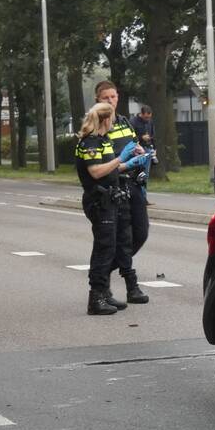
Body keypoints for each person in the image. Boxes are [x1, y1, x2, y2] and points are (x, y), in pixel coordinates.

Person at [75, 103, 152, 315]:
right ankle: (96, 298)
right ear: (104, 120)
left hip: (111, 199)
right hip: (99, 201)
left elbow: (112, 169)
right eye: (111, 120)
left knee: (116, 245)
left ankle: (105, 294)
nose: (114, 123)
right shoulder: (90, 142)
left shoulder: (103, 140)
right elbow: (97, 172)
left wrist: (131, 162)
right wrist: (121, 157)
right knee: (104, 248)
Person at [95, 81, 151, 305]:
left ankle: (103, 272)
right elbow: (102, 164)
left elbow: (134, 144)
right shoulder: (97, 127)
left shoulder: (125, 122)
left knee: (141, 233)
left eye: (113, 97)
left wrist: (141, 151)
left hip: (133, 185)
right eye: (105, 98)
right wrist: (126, 163)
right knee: (120, 238)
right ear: (98, 101)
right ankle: (128, 284)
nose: (111, 101)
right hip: (113, 187)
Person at [129, 104, 155, 205]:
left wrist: (154, 148)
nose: (147, 119)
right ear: (141, 114)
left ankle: (143, 198)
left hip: (148, 149)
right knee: (137, 174)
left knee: (145, 175)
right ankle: (138, 198)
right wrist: (141, 138)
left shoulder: (150, 122)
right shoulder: (133, 122)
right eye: (145, 117)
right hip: (137, 150)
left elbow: (153, 135)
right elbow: (131, 137)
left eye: (149, 117)